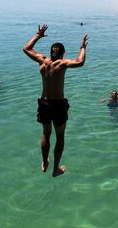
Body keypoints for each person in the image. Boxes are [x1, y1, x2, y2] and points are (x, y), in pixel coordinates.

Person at [23, 24, 89, 177]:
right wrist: (83, 47)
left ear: (51, 52)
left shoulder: (42, 61)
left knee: (46, 133)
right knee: (60, 136)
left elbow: (26, 49)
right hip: (58, 104)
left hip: (44, 103)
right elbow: (80, 62)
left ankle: (45, 161)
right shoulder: (63, 63)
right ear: (63, 53)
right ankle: (55, 168)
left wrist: (38, 35)